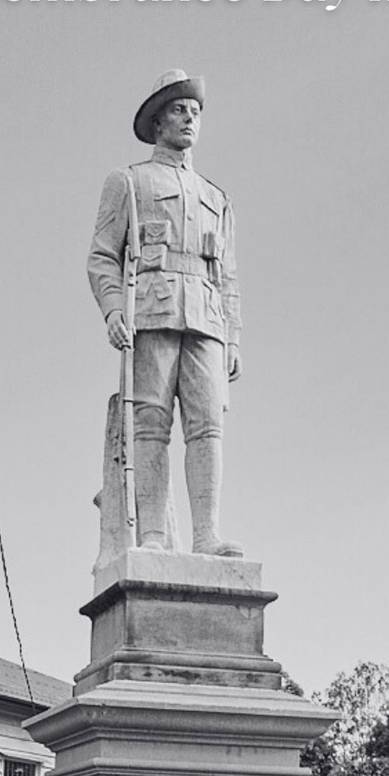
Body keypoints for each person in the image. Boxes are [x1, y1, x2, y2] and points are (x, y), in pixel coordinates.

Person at [87, 70, 242, 557]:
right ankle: (153, 533)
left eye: (195, 112)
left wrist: (233, 339)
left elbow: (229, 277)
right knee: (150, 425)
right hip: (150, 314)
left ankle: (206, 537)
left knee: (207, 427)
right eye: (178, 110)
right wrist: (113, 309)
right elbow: (102, 256)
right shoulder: (129, 182)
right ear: (157, 122)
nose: (189, 119)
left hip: (207, 322)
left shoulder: (217, 197)